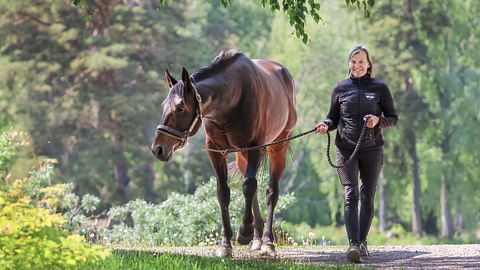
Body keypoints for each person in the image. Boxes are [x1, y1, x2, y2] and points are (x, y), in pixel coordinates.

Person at [315, 44, 398, 263]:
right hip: (345, 149)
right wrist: (325, 124)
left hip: (372, 150)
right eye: (353, 61)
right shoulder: (340, 89)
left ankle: (362, 242)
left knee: (367, 195)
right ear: (348, 64)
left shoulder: (380, 88)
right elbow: (332, 118)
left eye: (361, 61)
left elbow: (393, 118)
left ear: (369, 64)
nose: (357, 65)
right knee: (350, 194)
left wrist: (378, 121)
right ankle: (352, 245)